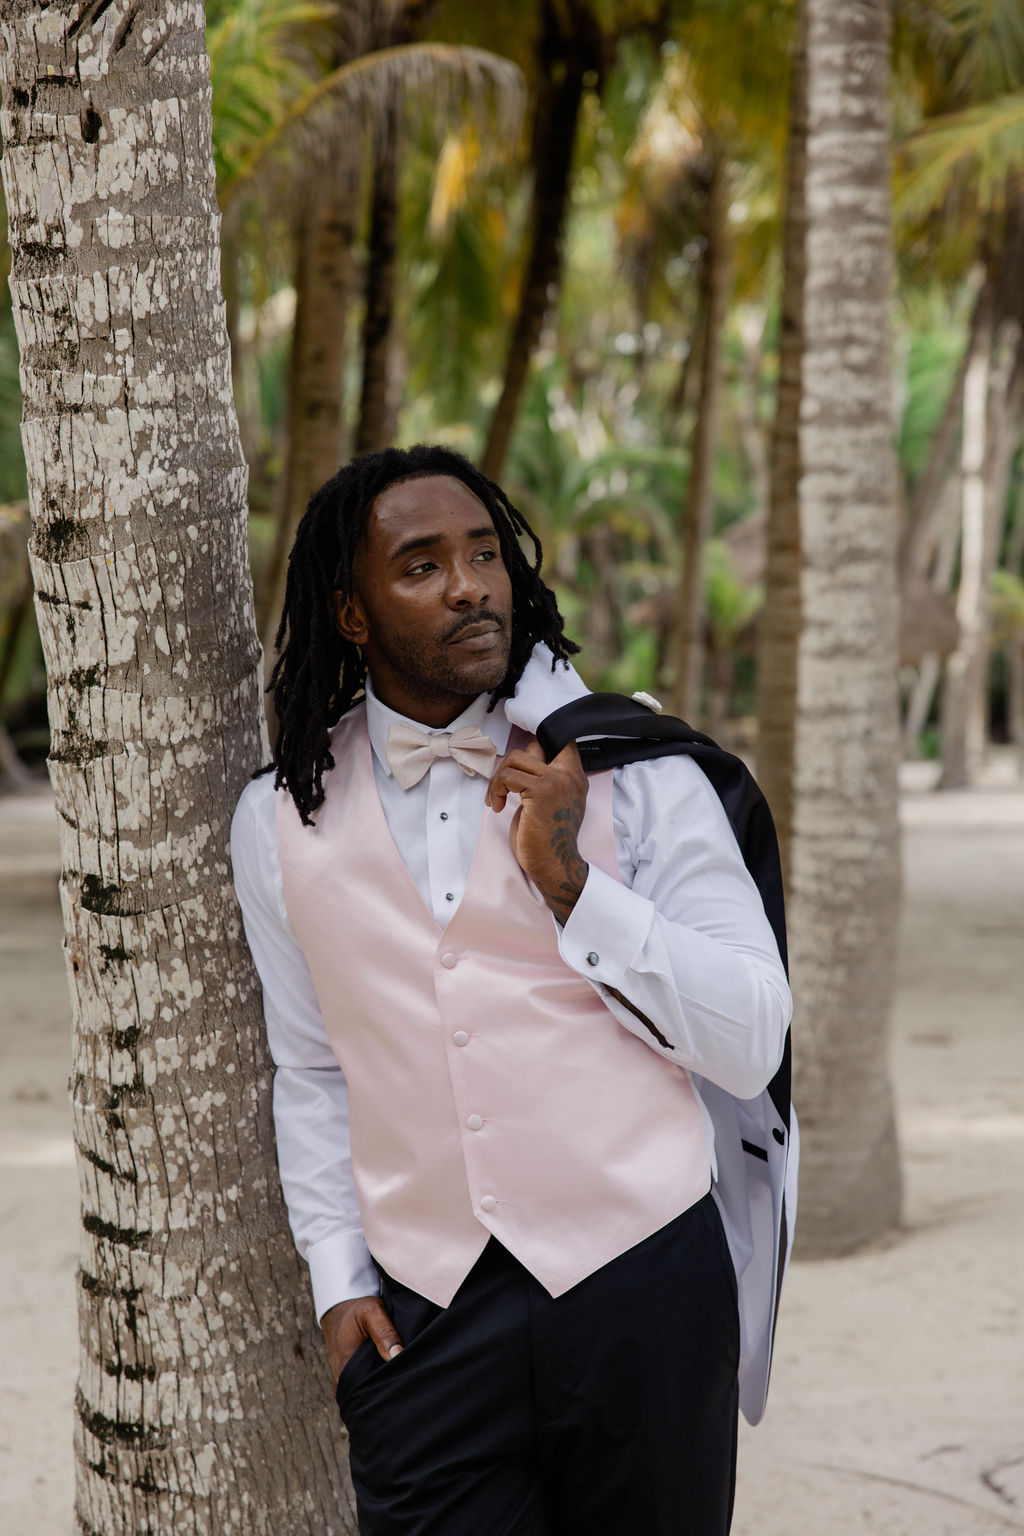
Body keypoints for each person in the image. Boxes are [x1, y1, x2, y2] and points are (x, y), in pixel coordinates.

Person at [231, 443, 793, 1536]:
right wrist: (340, 1278)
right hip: (423, 1320)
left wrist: (575, 887)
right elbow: (309, 1063)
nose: (469, 584)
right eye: (422, 565)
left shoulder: (642, 772)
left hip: (642, 1284)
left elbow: (751, 1039)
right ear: (352, 616)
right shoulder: (280, 815)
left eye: (484, 554)